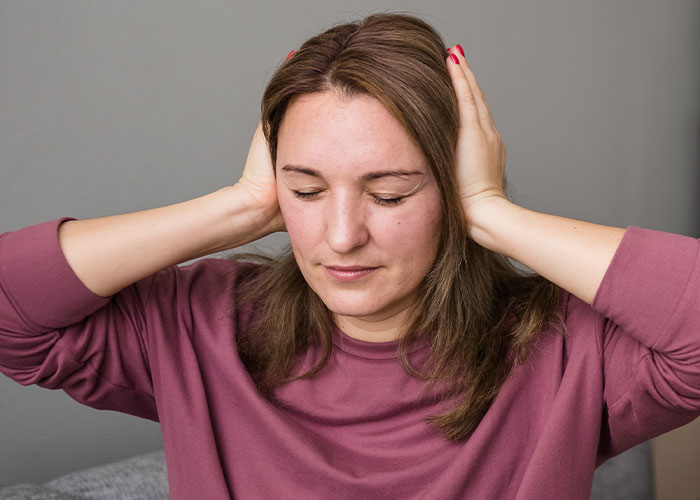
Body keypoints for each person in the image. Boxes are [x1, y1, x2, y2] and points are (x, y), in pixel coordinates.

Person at [1, 12, 699, 500]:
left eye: (389, 195)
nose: (340, 236)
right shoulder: (198, 324)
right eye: (304, 190)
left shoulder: (568, 350)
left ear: (451, 186)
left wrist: (492, 214)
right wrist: (240, 207)